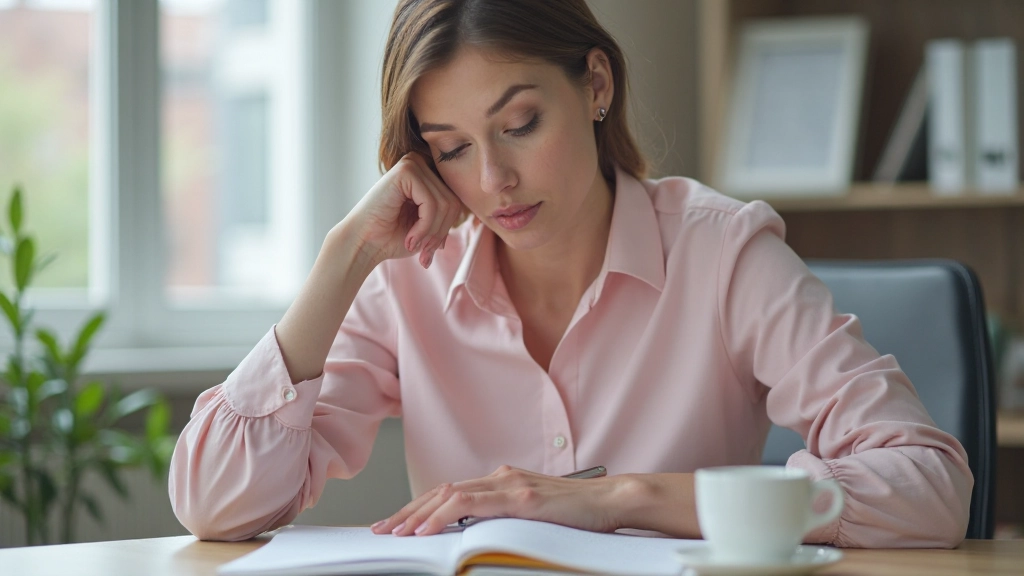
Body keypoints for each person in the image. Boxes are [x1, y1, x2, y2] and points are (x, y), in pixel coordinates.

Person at [168, 0, 972, 548]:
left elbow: (930, 485)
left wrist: (621, 499)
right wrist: (343, 254)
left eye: (519, 124)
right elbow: (216, 505)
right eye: (450, 148)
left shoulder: (723, 254)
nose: (492, 181)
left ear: (595, 84)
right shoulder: (408, 279)